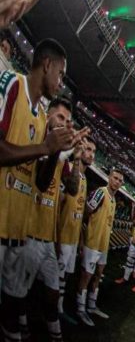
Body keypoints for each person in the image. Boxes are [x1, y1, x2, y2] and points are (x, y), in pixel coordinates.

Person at [0, 38, 78, 340]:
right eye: (60, 74)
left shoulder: (38, 115)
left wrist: (55, 151)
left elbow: (41, 183)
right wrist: (44, 146)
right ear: (47, 65)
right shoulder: (12, 85)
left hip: (17, 237)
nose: (60, 82)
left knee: (10, 323)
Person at [20, 97, 86, 342]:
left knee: (51, 292)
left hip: (47, 238)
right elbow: (41, 180)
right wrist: (58, 154)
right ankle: (21, 328)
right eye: (60, 118)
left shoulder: (61, 157)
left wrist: (77, 157)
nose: (65, 125)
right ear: (47, 116)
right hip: (26, 233)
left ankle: (53, 334)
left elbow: (72, 188)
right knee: (20, 293)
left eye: (68, 121)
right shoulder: (36, 141)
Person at [75, 168, 124, 326]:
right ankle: (80, 309)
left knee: (97, 275)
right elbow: (86, 212)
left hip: (103, 245)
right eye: (115, 178)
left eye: (120, 180)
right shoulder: (100, 193)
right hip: (92, 242)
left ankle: (91, 305)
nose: (117, 181)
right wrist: (83, 236)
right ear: (109, 178)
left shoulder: (114, 199)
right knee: (86, 276)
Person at [58, 136, 95, 324]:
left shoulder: (84, 178)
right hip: (62, 234)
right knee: (55, 275)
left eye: (93, 151)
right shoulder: (70, 170)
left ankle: (58, 308)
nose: (91, 154)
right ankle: (52, 310)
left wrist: (80, 239)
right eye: (88, 149)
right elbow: (60, 202)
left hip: (73, 236)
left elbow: (80, 211)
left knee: (64, 276)